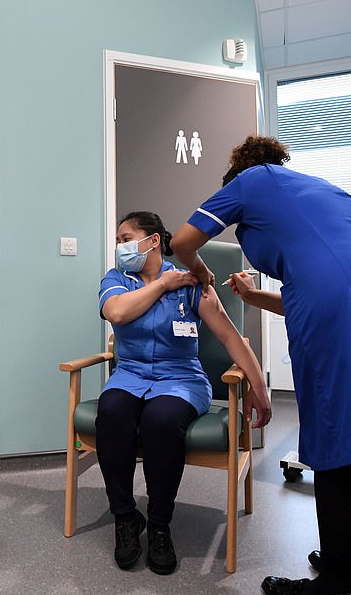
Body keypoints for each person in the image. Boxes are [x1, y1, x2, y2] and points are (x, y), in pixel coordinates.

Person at [171, 135, 351, 595]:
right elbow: (322, 289)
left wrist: (202, 270)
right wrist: (251, 296)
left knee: (338, 443)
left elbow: (182, 242)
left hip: (343, 298)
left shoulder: (249, 180)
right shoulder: (324, 190)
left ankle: (331, 584)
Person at [96, 211, 271, 574]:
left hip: (181, 380)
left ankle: (160, 524)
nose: (119, 247)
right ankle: (126, 519)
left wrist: (259, 386)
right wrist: (162, 286)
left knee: (162, 419)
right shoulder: (117, 279)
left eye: (125, 237)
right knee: (111, 412)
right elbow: (116, 312)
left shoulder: (193, 283)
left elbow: (229, 337)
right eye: (117, 241)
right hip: (130, 375)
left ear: (153, 240)